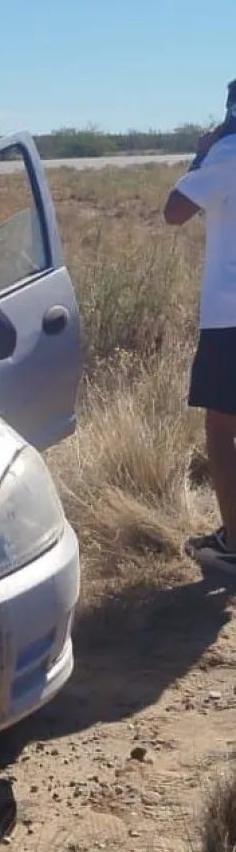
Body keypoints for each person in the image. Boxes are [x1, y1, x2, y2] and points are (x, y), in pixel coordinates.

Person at [162, 82, 236, 575]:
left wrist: (201, 155)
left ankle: (232, 542)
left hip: (230, 316)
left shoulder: (228, 152)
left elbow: (175, 212)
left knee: (223, 428)